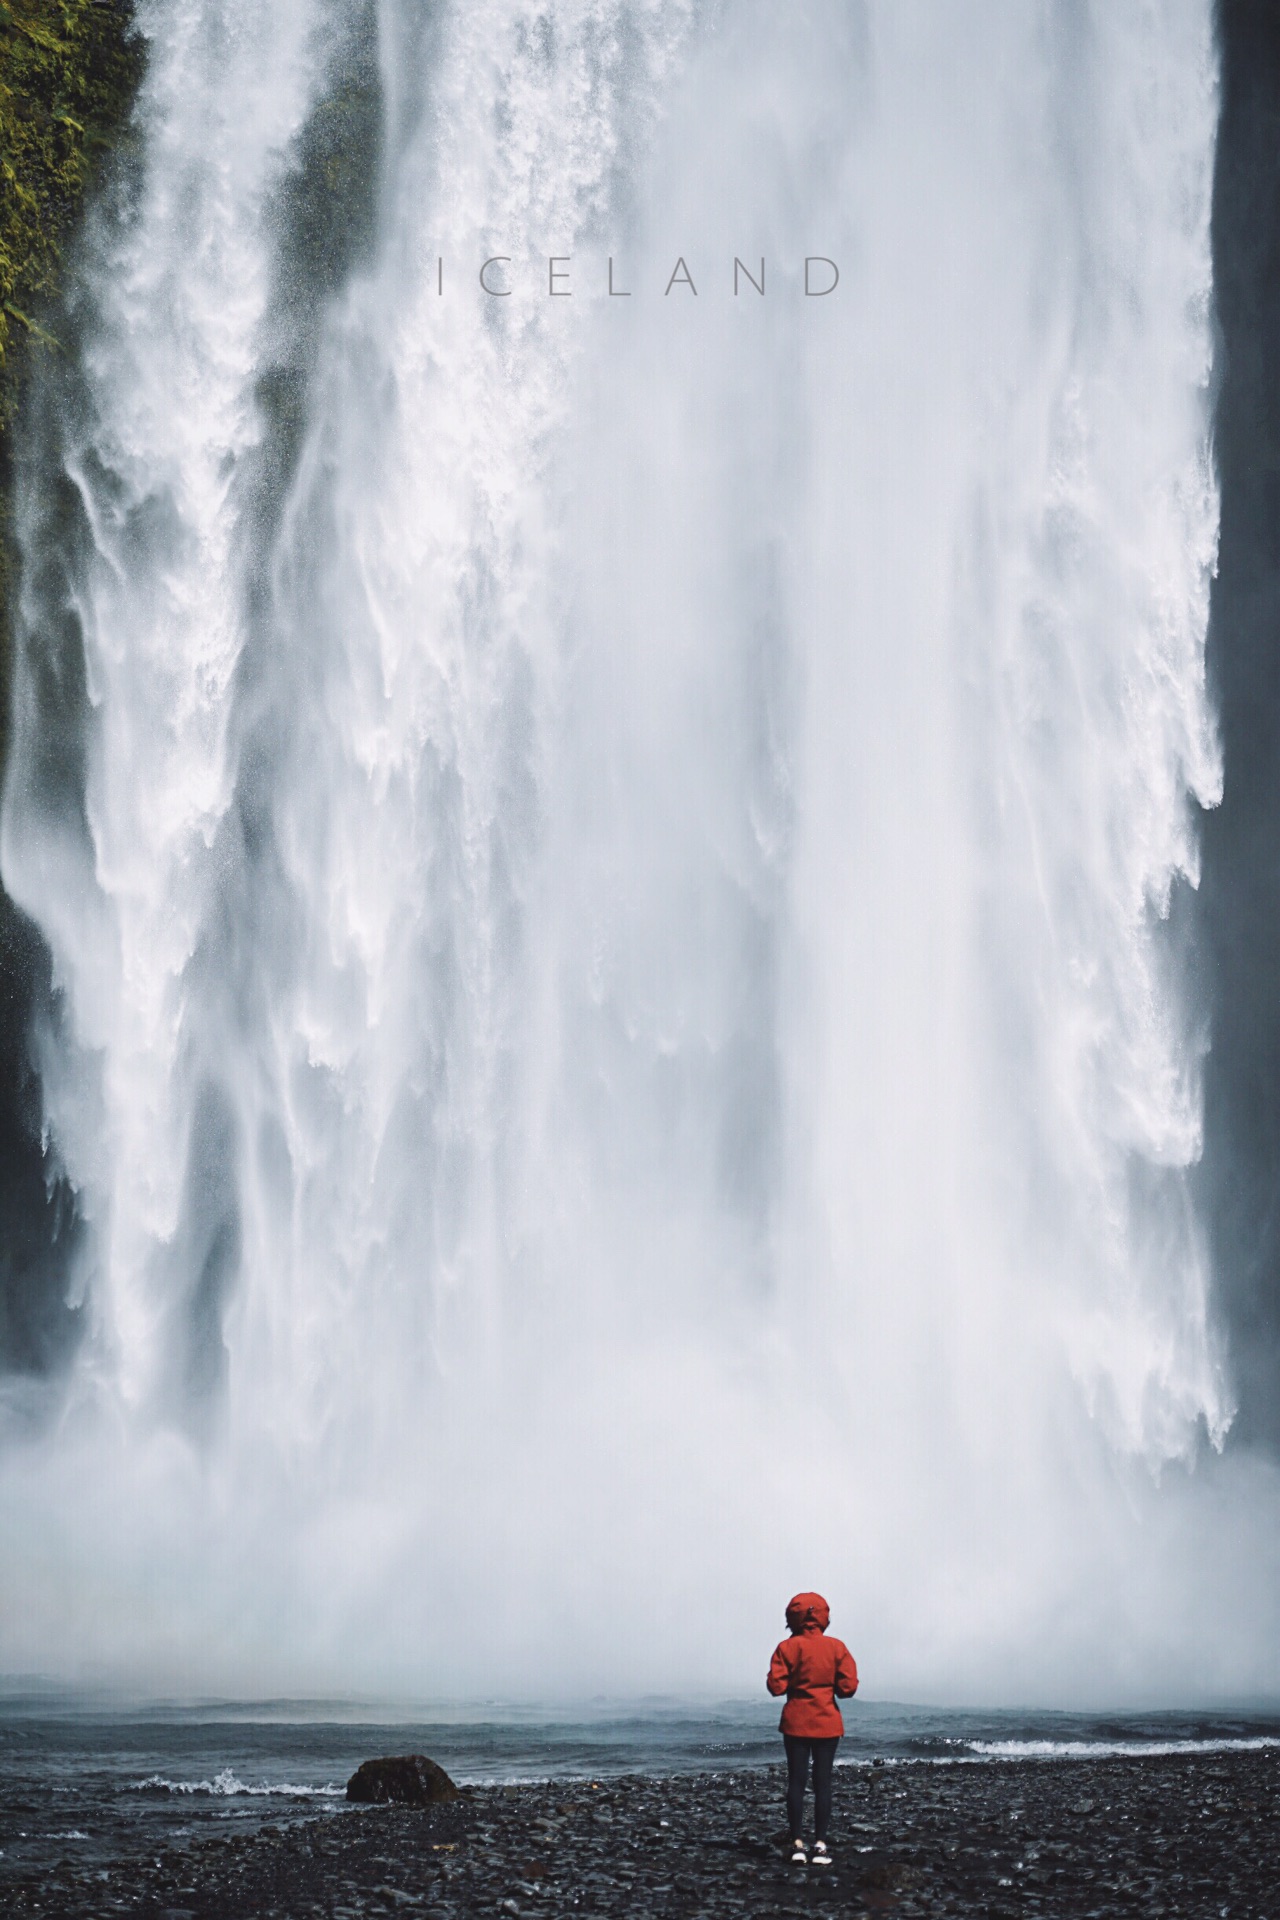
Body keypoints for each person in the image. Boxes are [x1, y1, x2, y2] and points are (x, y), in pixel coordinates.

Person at [766, 1591, 858, 1867]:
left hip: (795, 1722)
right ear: (824, 1617)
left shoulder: (786, 1648)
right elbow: (848, 1689)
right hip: (827, 1723)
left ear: (792, 1617)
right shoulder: (837, 1647)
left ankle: (797, 1844)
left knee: (796, 1782)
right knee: (823, 1783)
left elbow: (776, 1687)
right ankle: (820, 1844)